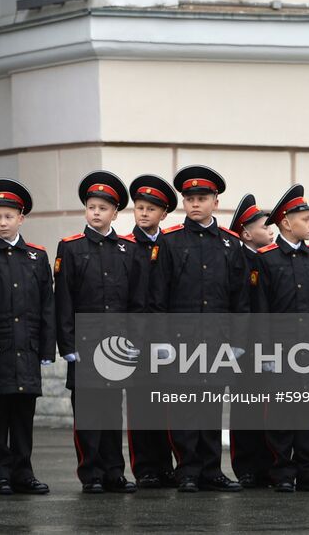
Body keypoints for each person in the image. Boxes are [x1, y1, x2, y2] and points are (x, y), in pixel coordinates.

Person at [147, 165, 247, 493]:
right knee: (186, 407)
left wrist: (238, 342)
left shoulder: (231, 244)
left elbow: (240, 298)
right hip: (181, 341)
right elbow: (157, 296)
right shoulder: (171, 241)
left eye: (202, 198)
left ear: (215, 202)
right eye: (189, 198)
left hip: (218, 340)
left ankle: (212, 470)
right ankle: (187, 470)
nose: (195, 204)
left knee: (212, 405)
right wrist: (161, 342)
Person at [55, 170, 140, 494]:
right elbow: (63, 299)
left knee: (110, 410)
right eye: (91, 207)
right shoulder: (71, 248)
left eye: (103, 208)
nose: (96, 212)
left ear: (115, 213)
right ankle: (91, 472)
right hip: (85, 344)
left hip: (117, 346)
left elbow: (135, 301)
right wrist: (67, 344)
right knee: (88, 412)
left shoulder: (126, 250)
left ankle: (114, 472)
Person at [0, 178, 55, 495]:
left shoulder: (36, 256)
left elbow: (46, 305)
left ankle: (23, 471)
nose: (3, 222)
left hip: (28, 349)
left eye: (9, 216)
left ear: (21, 218)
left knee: (23, 415)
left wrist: (47, 348)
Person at [255, 184, 309, 493]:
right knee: (281, 412)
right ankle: (282, 471)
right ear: (286, 222)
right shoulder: (267, 260)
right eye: (305, 218)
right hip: (280, 350)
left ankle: (307, 470)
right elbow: (260, 312)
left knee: (305, 411)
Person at [124, 173, 177, 489]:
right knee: (141, 405)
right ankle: (145, 467)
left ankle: (165, 465)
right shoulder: (124, 247)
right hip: (135, 339)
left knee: (164, 405)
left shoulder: (170, 245)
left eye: (150, 209)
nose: (144, 213)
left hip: (166, 339)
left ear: (163, 214)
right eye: (139, 208)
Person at [228, 193, 275, 489]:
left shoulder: (268, 259)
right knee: (245, 407)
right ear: (246, 232)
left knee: (265, 408)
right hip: (243, 346)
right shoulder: (237, 259)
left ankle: (266, 465)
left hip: (266, 345)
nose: (271, 231)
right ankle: (246, 466)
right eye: (265, 227)